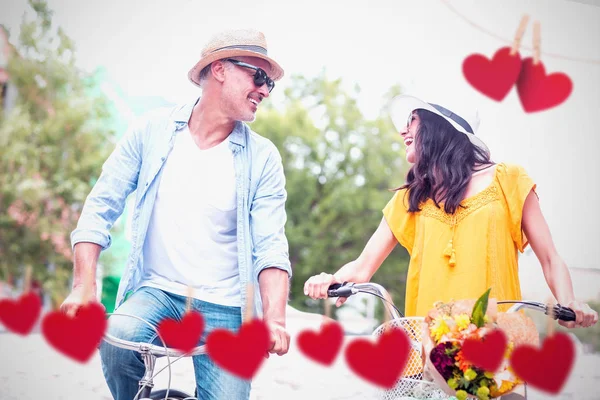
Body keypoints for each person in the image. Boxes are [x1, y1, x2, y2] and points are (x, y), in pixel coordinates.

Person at [60, 28, 292, 400]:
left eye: (270, 84)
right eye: (258, 77)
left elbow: (270, 247)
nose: (265, 90)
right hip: (158, 292)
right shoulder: (151, 132)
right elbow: (100, 207)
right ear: (219, 69)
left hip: (227, 306)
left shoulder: (262, 157)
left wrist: (275, 320)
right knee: (117, 339)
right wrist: (82, 288)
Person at [304, 94, 598, 329]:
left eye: (412, 120)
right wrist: (331, 278)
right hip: (431, 348)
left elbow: (549, 258)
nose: (402, 130)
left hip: (497, 345)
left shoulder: (509, 179)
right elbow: (362, 266)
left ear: (438, 126)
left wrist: (570, 301)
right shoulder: (411, 198)